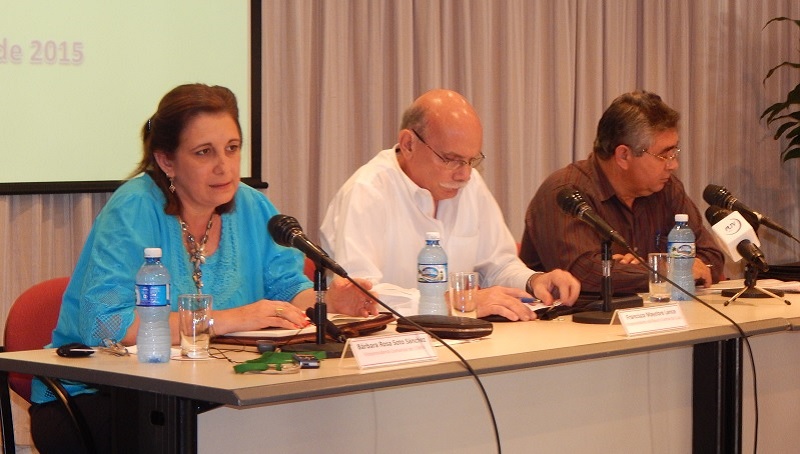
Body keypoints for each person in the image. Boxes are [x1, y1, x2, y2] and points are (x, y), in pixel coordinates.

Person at [28, 83, 375, 453]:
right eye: (204, 152)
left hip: (211, 386)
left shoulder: (252, 206)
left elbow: (286, 289)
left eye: (232, 148)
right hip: (104, 397)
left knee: (314, 418)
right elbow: (107, 326)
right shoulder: (134, 209)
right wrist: (230, 319)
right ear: (167, 161)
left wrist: (329, 302)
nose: (224, 166)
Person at [320, 89, 580, 321]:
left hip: (463, 338)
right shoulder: (366, 192)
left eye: (471, 160)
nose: (464, 174)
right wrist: (451, 302)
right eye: (451, 159)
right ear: (409, 144)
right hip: (387, 344)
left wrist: (535, 281)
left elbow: (498, 265)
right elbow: (359, 296)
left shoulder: (471, 184)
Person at [519, 90, 725, 294]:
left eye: (674, 153)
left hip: (656, 311)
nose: (673, 165)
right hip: (577, 315)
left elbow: (712, 257)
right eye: (664, 155)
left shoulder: (666, 189)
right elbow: (585, 272)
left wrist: (641, 269)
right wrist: (665, 268)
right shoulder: (566, 193)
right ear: (623, 155)